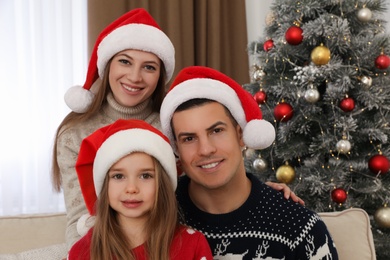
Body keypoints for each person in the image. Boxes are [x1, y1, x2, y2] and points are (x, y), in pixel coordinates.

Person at [52, 7, 301, 251]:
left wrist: (255, 194)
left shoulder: (173, 123)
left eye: (149, 67)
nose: (135, 77)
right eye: (125, 62)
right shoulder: (75, 134)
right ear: (106, 66)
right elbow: (79, 220)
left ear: (161, 75)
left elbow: (208, 170)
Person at [159, 66, 339, 259]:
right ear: (176, 148)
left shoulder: (299, 228)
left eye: (216, 131)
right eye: (189, 139)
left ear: (241, 135)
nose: (205, 150)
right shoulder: (157, 217)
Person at [68, 119, 213, 259]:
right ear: (104, 185)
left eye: (145, 176)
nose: (131, 188)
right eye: (118, 176)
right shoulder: (81, 252)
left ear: (163, 184)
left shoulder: (192, 244)